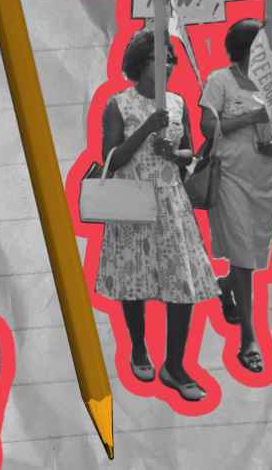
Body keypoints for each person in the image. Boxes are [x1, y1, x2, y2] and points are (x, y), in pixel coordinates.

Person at [94, 29, 219, 401]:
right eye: (158, 58)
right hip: (132, 200)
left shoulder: (179, 104)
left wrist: (173, 153)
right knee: (134, 281)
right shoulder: (119, 104)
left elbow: (192, 156)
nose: (166, 64)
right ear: (139, 63)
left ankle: (176, 366)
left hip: (171, 201)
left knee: (182, 284)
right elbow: (110, 161)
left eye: (170, 58)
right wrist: (146, 130)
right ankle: (138, 347)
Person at [199, 18, 272, 375]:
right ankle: (249, 338)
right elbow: (208, 126)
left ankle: (225, 286)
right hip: (230, 177)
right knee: (244, 257)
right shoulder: (219, 81)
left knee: (250, 252)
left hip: (266, 179)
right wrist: (248, 117)